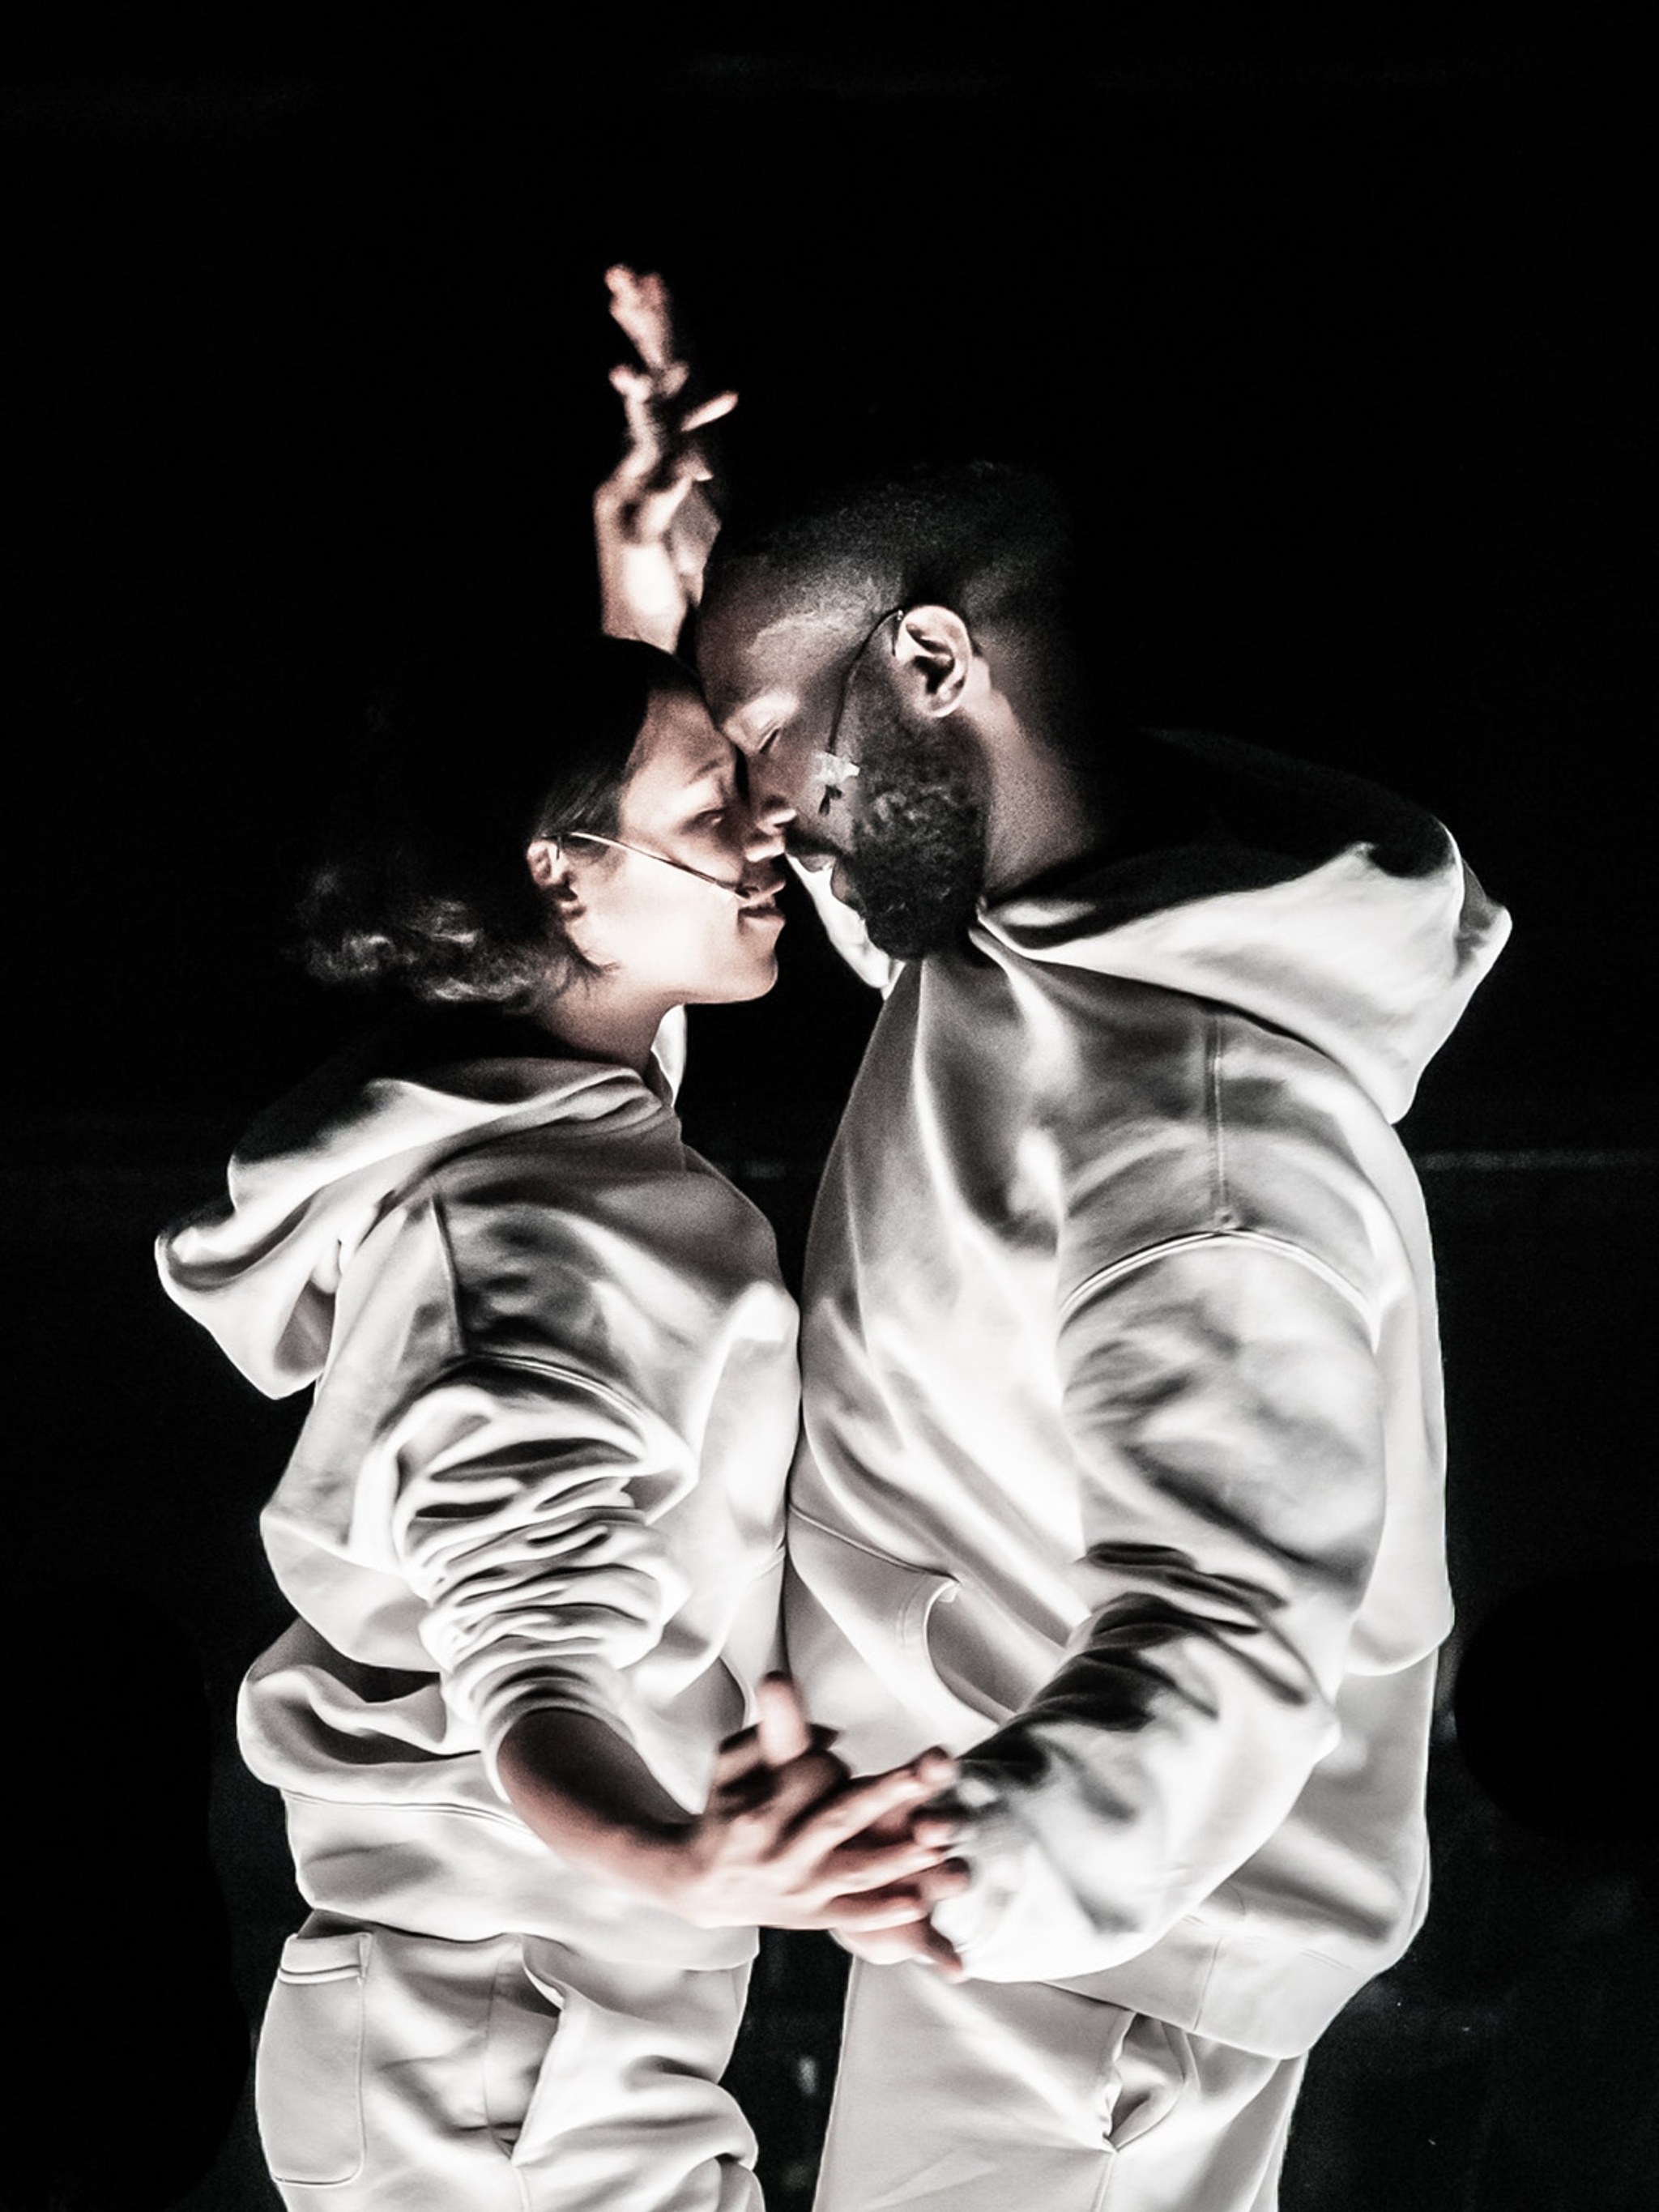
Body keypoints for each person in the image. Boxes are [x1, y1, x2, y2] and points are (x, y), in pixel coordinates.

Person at [156, 305, 960, 2211]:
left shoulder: (544, 1103)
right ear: (557, 871)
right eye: (715, 804)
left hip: (518, 2013)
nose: (767, 825)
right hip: (500, 2039)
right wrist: (687, 1865)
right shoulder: (526, 1230)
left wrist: (638, 598)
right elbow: (529, 1659)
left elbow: (607, 912)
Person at [674, 455, 1511, 2210]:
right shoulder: (1020, 940)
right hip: (1032, 1966)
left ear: (928, 663)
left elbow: (1225, 1629)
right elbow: (865, 861)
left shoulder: (1197, 1143)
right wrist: (666, 610)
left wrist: (915, 1874)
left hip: (1093, 2001)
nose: (753, 812)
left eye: (758, 744)